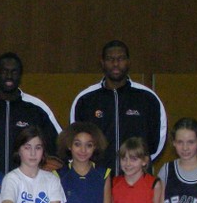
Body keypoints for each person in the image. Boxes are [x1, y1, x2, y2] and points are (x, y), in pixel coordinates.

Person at [70, 40, 167, 176]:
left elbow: (156, 143)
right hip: (97, 178)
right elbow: (76, 140)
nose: (115, 63)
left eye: (121, 59)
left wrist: (136, 164)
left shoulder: (147, 98)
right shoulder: (85, 100)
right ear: (102, 62)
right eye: (110, 59)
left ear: (128, 62)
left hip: (136, 179)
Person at [0, 52, 62, 173]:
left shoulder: (37, 109)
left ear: (20, 75)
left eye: (14, 72)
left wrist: (49, 163)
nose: (9, 76)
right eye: (4, 71)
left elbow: (59, 146)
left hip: (27, 181)